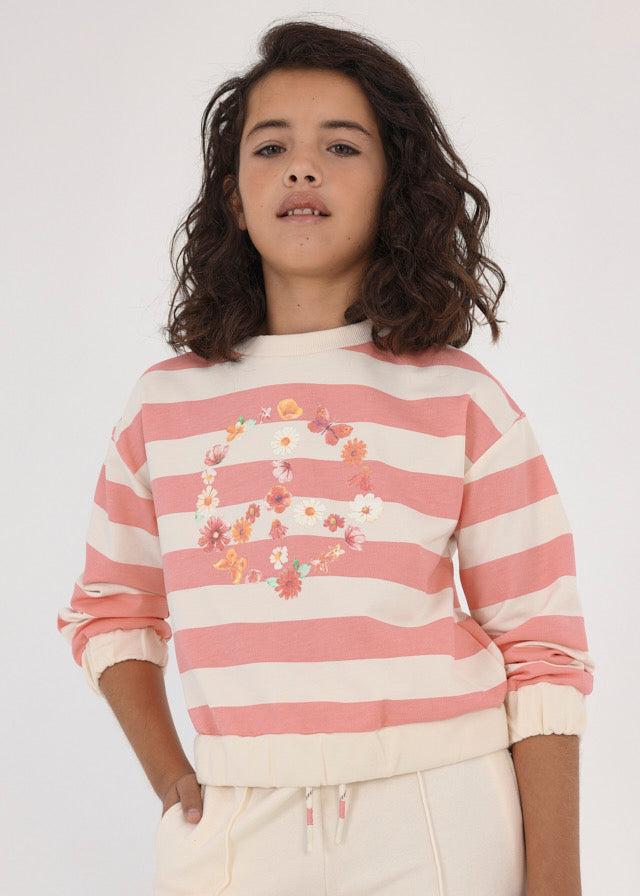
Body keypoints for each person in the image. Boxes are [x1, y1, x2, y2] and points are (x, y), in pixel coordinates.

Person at [58, 19, 595, 896]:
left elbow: (541, 646)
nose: (302, 168)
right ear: (235, 197)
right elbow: (112, 608)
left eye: (341, 146)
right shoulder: (162, 407)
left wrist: (557, 880)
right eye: (271, 147)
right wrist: (171, 775)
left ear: (393, 189)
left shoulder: (460, 399)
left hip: (439, 813)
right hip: (234, 827)